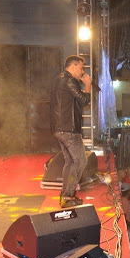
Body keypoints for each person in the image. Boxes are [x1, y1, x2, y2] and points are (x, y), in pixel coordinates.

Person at [50, 55, 92, 208]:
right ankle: (67, 196)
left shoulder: (58, 79)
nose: (82, 71)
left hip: (59, 128)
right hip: (69, 129)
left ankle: (65, 195)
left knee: (70, 162)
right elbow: (84, 100)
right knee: (81, 161)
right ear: (73, 66)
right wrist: (87, 85)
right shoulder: (69, 81)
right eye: (81, 67)